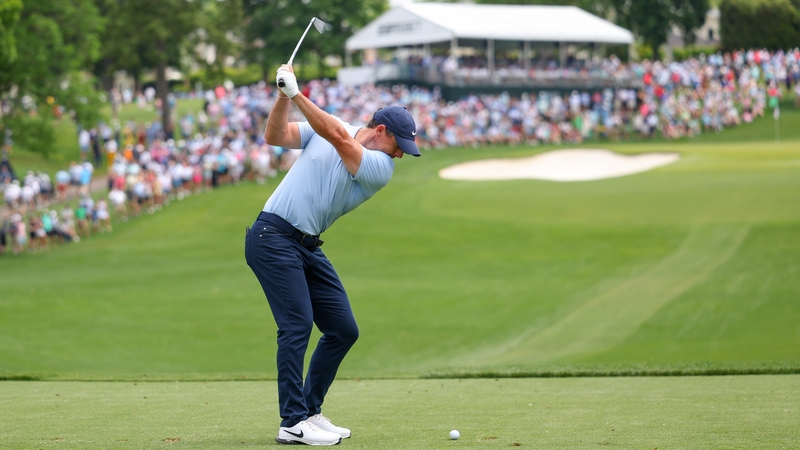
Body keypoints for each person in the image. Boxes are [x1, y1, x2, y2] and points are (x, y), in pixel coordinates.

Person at [245, 65, 420, 446]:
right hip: (271, 236)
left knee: (343, 329)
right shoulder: (330, 126)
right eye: (399, 145)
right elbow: (275, 135)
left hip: (305, 245)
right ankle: (292, 422)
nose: (401, 156)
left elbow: (338, 136)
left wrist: (296, 95)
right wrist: (281, 96)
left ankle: (310, 410)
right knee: (297, 325)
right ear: (381, 132)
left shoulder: (379, 166)